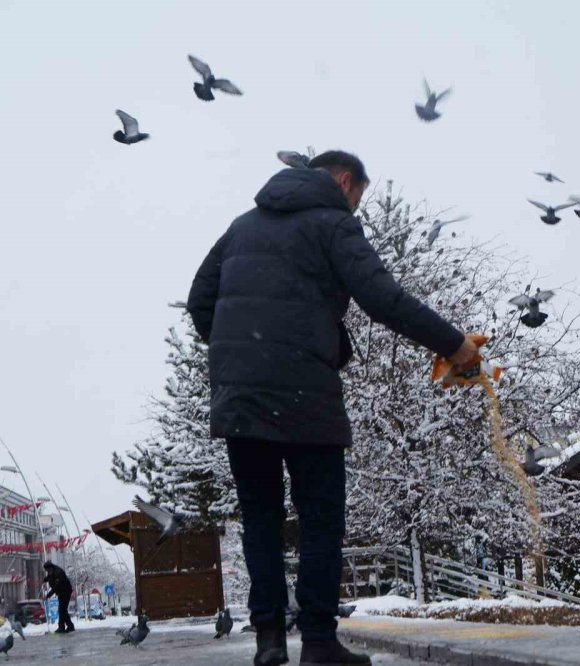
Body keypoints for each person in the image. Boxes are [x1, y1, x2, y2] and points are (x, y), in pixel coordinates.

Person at [187, 151, 478, 666]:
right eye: (358, 197)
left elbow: (199, 299)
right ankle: (319, 642)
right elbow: (383, 299)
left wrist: (243, 355)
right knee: (320, 519)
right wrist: (453, 344)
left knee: (261, 519)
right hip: (305, 397)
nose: (356, 207)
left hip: (241, 400)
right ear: (345, 181)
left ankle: (269, 639)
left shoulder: (242, 226)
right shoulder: (334, 225)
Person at [43, 561, 74, 633]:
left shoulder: (59, 573)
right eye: (46, 571)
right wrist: (45, 580)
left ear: (50, 568)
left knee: (61, 610)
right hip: (61, 592)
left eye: (48, 570)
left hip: (65, 592)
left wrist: (47, 596)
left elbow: (55, 587)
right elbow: (50, 577)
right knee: (63, 610)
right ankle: (70, 626)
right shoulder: (52, 571)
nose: (47, 572)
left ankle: (62, 627)